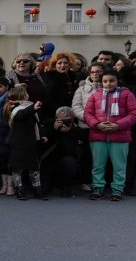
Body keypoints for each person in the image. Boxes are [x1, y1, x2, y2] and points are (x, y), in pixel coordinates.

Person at [83, 69, 136, 201]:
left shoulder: (127, 94)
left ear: (118, 81)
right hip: (98, 135)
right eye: (105, 81)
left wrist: (118, 125)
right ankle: (98, 188)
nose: (108, 84)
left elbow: (133, 114)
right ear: (101, 82)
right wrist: (97, 125)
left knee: (119, 165)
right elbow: (88, 114)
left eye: (112, 81)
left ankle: (117, 189)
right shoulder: (95, 95)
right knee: (97, 165)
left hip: (120, 136)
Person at [5, 84, 47, 200]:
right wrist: (32, 108)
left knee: (34, 167)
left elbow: (36, 124)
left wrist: (42, 135)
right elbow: (20, 116)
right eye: (26, 93)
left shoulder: (29, 107)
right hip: (18, 143)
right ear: (22, 96)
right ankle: (19, 189)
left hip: (31, 142)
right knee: (18, 168)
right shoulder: (15, 108)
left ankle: (37, 189)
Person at [72, 62, 103, 192]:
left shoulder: (108, 86)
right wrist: (90, 120)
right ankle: (85, 180)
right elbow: (76, 107)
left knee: (101, 156)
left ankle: (100, 181)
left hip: (103, 127)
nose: (95, 74)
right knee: (87, 156)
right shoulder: (81, 88)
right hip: (86, 126)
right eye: (93, 72)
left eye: (98, 71)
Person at [42, 107, 82, 197]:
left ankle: (66, 186)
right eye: (60, 120)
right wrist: (54, 130)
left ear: (72, 119)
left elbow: (73, 152)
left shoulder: (76, 130)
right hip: (49, 159)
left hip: (65, 159)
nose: (63, 123)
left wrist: (68, 133)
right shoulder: (49, 123)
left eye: (66, 121)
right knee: (44, 190)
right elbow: (43, 146)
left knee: (69, 162)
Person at [0, 77, 14, 196]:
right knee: (1, 160)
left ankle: (10, 186)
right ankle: (4, 185)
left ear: (6, 87)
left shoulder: (10, 100)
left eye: (0, 86)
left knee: (9, 160)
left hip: (8, 131)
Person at [41, 51, 78, 120]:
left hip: (71, 113)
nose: (62, 65)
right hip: (55, 115)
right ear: (55, 65)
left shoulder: (72, 78)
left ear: (69, 65)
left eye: (65, 63)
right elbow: (48, 101)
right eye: (59, 63)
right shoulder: (51, 79)